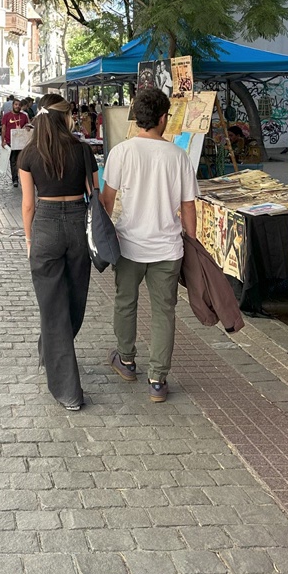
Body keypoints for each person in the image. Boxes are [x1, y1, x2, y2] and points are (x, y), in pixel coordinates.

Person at [101, 87, 198, 402]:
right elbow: (188, 206)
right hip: (168, 248)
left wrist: (103, 237)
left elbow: (107, 201)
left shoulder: (121, 152)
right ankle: (157, 379)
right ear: (163, 118)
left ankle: (126, 360)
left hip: (128, 245)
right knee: (164, 312)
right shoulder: (178, 156)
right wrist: (192, 241)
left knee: (125, 303)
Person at [18, 94, 98, 412]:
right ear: (65, 117)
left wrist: (28, 241)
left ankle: (65, 385)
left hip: (46, 226)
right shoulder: (83, 149)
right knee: (75, 300)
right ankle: (65, 380)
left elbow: (28, 205)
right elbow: (95, 194)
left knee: (52, 307)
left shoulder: (29, 153)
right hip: (78, 224)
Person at [1, 97, 30, 187]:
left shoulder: (24, 116)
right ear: (13, 105)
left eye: (19, 105)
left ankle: (23, 178)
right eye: (16, 104)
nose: (17, 106)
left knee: (22, 161)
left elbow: (28, 125)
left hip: (21, 142)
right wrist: (3, 140)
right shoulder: (7, 116)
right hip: (10, 141)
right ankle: (15, 179)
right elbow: (3, 128)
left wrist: (28, 127)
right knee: (13, 161)